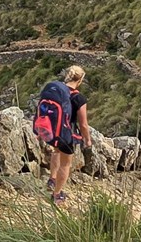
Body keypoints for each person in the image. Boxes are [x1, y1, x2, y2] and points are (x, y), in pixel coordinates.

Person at [46, 65, 90, 204]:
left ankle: (52, 179)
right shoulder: (79, 98)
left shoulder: (57, 91)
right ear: (80, 80)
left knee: (56, 151)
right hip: (67, 132)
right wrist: (87, 140)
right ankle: (57, 194)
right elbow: (83, 124)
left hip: (54, 129)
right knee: (65, 164)